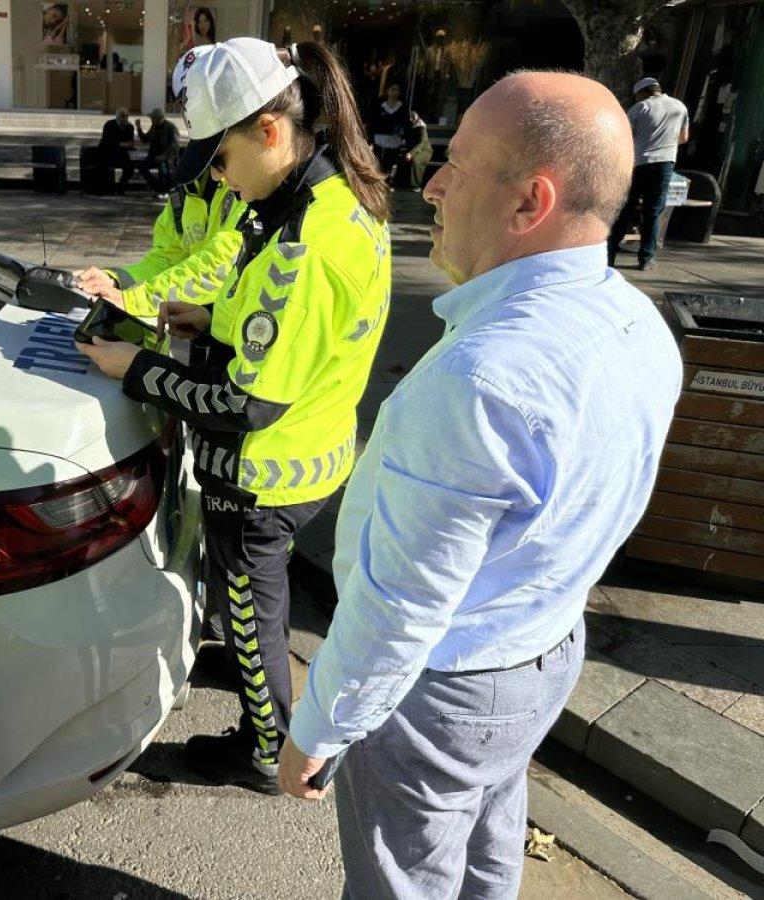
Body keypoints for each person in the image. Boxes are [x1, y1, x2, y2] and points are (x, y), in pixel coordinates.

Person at [278, 71, 682, 899]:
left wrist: (318, 726)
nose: (429, 183)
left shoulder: (479, 378)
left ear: (531, 202)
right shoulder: (641, 325)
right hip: (543, 648)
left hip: (445, 688)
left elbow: (401, 605)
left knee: (405, 881)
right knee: (488, 840)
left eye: (456, 163)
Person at [78, 37, 392, 795]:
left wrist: (137, 368)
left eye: (220, 161)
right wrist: (207, 320)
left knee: (250, 608)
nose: (218, 179)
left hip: (263, 474)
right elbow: (283, 336)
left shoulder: (302, 244)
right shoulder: (323, 202)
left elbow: (245, 404)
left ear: (270, 132)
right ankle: (254, 673)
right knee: (255, 600)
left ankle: (263, 747)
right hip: (310, 448)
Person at [75, 47, 246, 317]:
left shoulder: (254, 186)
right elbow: (167, 257)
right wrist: (117, 280)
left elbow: (225, 262)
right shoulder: (190, 184)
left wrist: (135, 300)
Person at [608, 76, 689, 270]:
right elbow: (684, 137)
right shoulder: (680, 107)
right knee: (653, 212)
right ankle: (647, 258)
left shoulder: (640, 108)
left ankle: (610, 254)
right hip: (665, 164)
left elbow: (623, 137)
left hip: (638, 163)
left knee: (625, 210)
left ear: (642, 93)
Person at [136, 107, 180, 197]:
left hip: (166, 157)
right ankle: (158, 188)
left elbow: (174, 145)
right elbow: (146, 139)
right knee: (141, 167)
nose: (151, 120)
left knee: (163, 170)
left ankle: (163, 190)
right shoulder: (154, 127)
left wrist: (164, 156)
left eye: (153, 118)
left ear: (159, 118)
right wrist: (139, 128)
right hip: (153, 156)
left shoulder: (171, 127)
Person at [371, 82, 406, 182]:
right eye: (393, 89)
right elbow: (374, 122)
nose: (395, 92)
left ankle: (386, 181)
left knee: (390, 161)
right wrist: (371, 140)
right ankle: (376, 180)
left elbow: (405, 124)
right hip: (379, 138)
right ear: (388, 91)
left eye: (397, 90)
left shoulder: (402, 107)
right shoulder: (380, 106)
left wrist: (403, 138)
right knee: (377, 160)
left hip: (394, 139)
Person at [99, 106, 136, 193]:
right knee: (105, 162)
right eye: (122, 118)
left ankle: (121, 187)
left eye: (126, 118)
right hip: (109, 152)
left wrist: (129, 145)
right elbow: (106, 141)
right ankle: (108, 187)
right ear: (117, 118)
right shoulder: (109, 125)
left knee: (130, 166)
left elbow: (130, 141)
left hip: (124, 153)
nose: (124, 120)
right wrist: (120, 144)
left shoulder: (130, 126)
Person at [405, 108, 433, 190]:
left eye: (412, 118)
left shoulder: (422, 128)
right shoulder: (410, 126)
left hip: (425, 150)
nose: (411, 120)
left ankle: (416, 185)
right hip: (414, 149)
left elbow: (421, 143)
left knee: (416, 161)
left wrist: (411, 153)